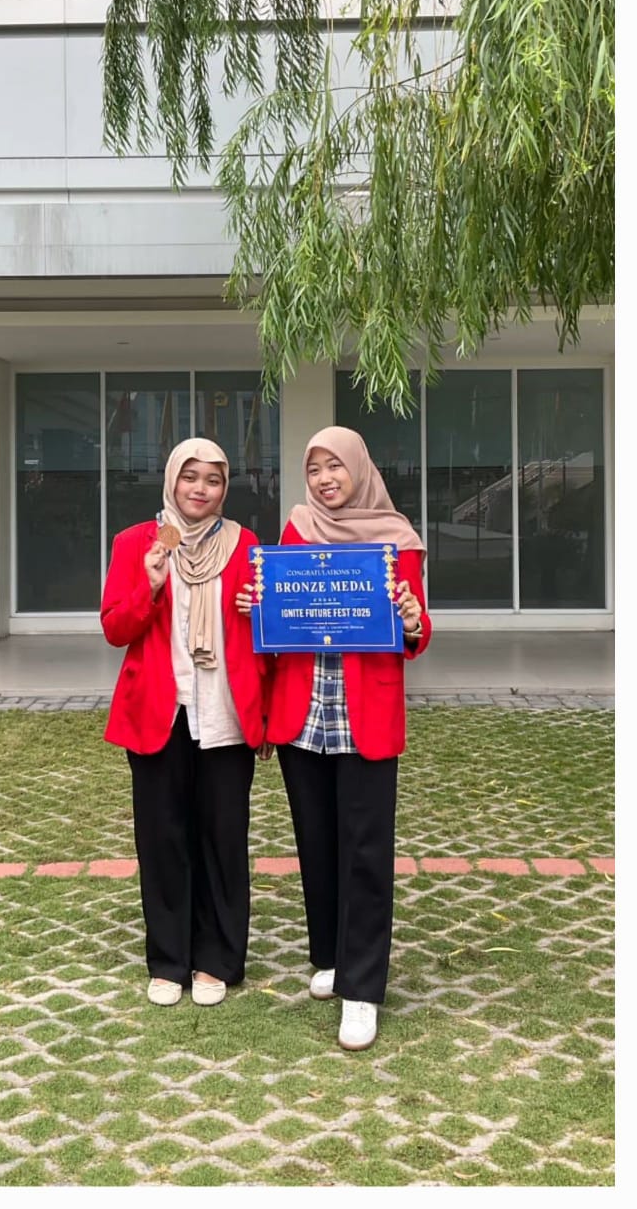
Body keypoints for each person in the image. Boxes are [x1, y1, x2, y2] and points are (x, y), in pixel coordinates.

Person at [254, 426, 430, 1052]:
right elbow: (279, 617)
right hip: (303, 716)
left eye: (336, 466)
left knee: (365, 850)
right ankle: (328, 957)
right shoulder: (297, 528)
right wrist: (258, 604)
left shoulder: (395, 537)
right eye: (316, 468)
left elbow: (417, 627)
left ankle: (362, 989)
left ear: (359, 468)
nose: (326, 479)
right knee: (316, 843)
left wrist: (411, 618)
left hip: (365, 715)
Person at [100, 438, 269, 1008]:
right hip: (159, 711)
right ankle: (169, 961)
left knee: (223, 838)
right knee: (162, 839)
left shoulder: (245, 545)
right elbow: (115, 629)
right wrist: (148, 584)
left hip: (224, 712)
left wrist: (258, 611)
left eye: (214, 480)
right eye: (190, 477)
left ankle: (217, 959)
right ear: (171, 479)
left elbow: (267, 633)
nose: (201, 489)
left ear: (226, 487)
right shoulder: (135, 544)